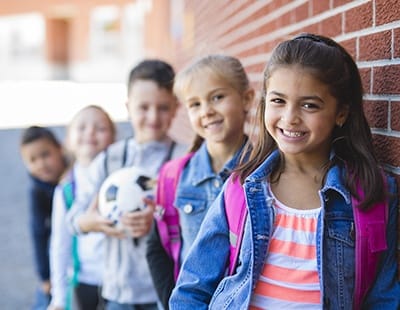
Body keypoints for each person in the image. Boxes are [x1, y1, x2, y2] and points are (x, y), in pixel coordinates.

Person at [169, 33, 400, 309]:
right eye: (278, 101)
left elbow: (383, 298)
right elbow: (192, 288)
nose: (290, 117)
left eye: (309, 105)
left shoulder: (373, 194)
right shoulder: (241, 188)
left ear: (341, 113)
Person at [65, 59, 187, 310]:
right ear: (128, 106)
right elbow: (73, 221)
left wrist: (157, 219)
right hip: (118, 294)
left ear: (176, 107)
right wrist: (95, 222)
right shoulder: (109, 159)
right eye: (143, 107)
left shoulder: (183, 160)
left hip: (164, 293)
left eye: (163, 107)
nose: (153, 116)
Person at [145, 54, 254, 309]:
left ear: (246, 99)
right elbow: (157, 248)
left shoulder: (265, 173)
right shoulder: (174, 176)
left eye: (217, 97)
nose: (207, 111)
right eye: (195, 104)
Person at [48, 105, 116, 310]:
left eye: (100, 128)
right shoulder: (66, 190)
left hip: (120, 282)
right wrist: (58, 298)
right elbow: (59, 245)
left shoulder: (121, 181)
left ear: (113, 140)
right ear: (68, 140)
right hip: (84, 281)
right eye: (82, 127)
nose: (90, 133)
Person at [20, 126, 67, 310]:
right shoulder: (37, 190)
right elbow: (38, 232)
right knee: (44, 300)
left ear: (60, 148)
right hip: (54, 251)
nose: (41, 164)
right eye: (33, 160)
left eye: (45, 154)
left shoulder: (74, 176)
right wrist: (45, 276)